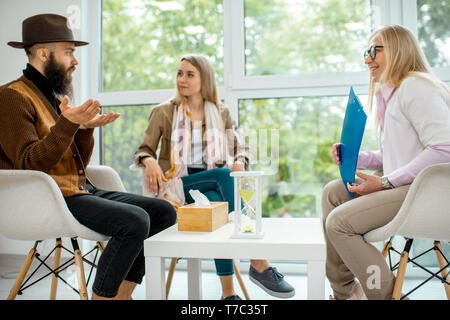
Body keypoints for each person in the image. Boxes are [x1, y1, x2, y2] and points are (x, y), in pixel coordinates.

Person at [0, 13, 177, 300]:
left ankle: (120, 296)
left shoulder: (54, 99)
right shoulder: (11, 97)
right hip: (49, 199)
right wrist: (69, 124)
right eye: (68, 52)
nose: (75, 60)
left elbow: (76, 164)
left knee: (163, 212)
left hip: (77, 191)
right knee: (133, 222)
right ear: (44, 53)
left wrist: (82, 130)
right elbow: (29, 163)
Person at [134, 54, 295, 300]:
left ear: (204, 78)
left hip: (208, 187)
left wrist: (240, 161)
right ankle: (259, 261)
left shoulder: (221, 112)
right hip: (177, 186)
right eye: (179, 73)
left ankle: (228, 294)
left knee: (215, 204)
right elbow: (143, 149)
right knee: (223, 176)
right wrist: (150, 160)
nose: (182, 79)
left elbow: (241, 147)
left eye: (189, 74)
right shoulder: (164, 112)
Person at [322, 24, 450, 300]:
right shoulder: (391, 95)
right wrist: (357, 159)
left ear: (397, 50)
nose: (367, 59)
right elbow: (398, 155)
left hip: (426, 195)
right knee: (333, 192)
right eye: (365, 52)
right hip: (407, 189)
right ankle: (346, 292)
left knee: (339, 223)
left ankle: (383, 296)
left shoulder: (416, 86)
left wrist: (384, 182)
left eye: (373, 50)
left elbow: (445, 148)